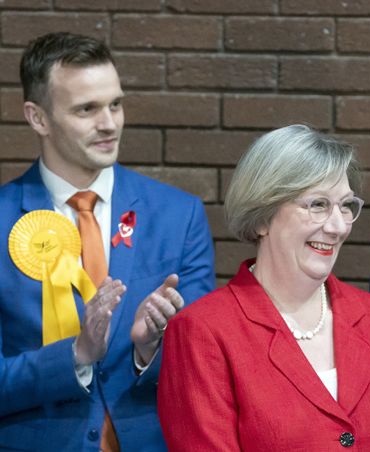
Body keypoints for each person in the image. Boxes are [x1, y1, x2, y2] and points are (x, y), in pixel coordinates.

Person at [157, 124, 370, 451]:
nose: (337, 226)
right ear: (262, 217)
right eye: (318, 204)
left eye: (346, 206)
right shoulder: (202, 332)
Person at [0, 32, 215, 451]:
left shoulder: (180, 215)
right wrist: (75, 354)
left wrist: (149, 348)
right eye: (87, 109)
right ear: (37, 118)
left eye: (115, 104)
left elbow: (204, 367)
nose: (109, 123)